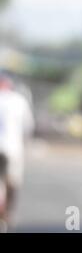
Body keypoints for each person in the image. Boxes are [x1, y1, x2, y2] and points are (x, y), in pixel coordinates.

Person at [0, 74, 34, 232]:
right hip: (12, 147)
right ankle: (7, 216)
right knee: (12, 183)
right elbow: (28, 128)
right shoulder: (19, 101)